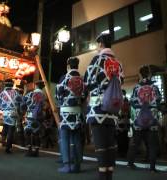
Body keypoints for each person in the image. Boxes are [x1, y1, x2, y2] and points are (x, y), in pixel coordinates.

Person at [84, 32, 124, 180]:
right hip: (112, 110)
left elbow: (87, 81)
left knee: (101, 147)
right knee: (110, 145)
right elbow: (122, 81)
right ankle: (109, 176)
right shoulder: (118, 63)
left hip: (98, 109)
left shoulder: (97, 59)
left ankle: (102, 177)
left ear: (100, 44)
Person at [127, 65, 162, 172]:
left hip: (140, 119)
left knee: (135, 142)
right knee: (152, 144)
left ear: (140, 75)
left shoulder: (137, 87)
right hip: (152, 119)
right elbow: (159, 100)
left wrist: (140, 107)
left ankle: (130, 163)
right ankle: (152, 167)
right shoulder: (154, 87)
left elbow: (132, 102)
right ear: (150, 74)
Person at [56, 57, 85, 173]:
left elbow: (58, 96)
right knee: (77, 138)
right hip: (78, 112)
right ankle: (77, 165)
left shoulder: (64, 78)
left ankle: (67, 165)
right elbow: (84, 95)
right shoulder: (82, 79)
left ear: (68, 66)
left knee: (64, 138)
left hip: (65, 113)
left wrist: (62, 102)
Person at [0, 79, 22, 154]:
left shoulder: (2, 93)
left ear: (5, 84)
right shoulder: (16, 93)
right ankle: (8, 147)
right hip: (13, 113)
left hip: (5, 114)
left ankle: (3, 142)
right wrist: (20, 111)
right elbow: (21, 102)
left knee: (5, 127)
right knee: (11, 130)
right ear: (12, 84)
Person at [22, 80, 46, 157]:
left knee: (28, 132)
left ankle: (29, 150)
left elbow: (23, 103)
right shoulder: (43, 95)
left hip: (30, 116)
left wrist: (25, 92)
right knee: (36, 134)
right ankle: (36, 151)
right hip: (39, 116)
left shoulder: (30, 94)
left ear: (35, 85)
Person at [117, 90, 131, 157]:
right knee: (122, 137)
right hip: (124, 122)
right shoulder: (127, 102)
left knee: (122, 137)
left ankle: (122, 151)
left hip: (122, 122)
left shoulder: (124, 102)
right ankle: (123, 151)